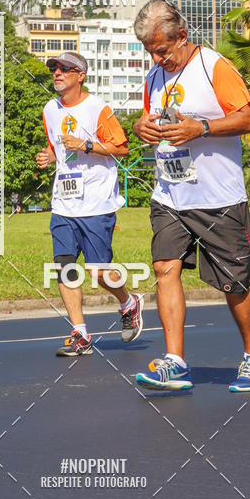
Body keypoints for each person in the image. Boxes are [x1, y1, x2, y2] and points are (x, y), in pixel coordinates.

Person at [132, 0, 250, 393]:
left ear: (183, 36)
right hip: (170, 194)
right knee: (164, 268)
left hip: (218, 197)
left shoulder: (214, 67)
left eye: (162, 49)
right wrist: (143, 127)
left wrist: (202, 129)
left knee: (233, 284)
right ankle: (174, 362)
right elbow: (149, 120)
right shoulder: (153, 77)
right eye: (150, 51)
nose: (157, 58)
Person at [36, 51, 144, 355]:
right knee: (64, 267)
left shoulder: (98, 108)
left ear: (80, 75)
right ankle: (80, 333)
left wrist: (85, 144)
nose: (57, 73)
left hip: (96, 203)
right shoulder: (49, 109)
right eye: (54, 69)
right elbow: (55, 145)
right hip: (63, 204)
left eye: (64, 69)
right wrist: (50, 156)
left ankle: (128, 302)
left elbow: (121, 148)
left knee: (98, 271)